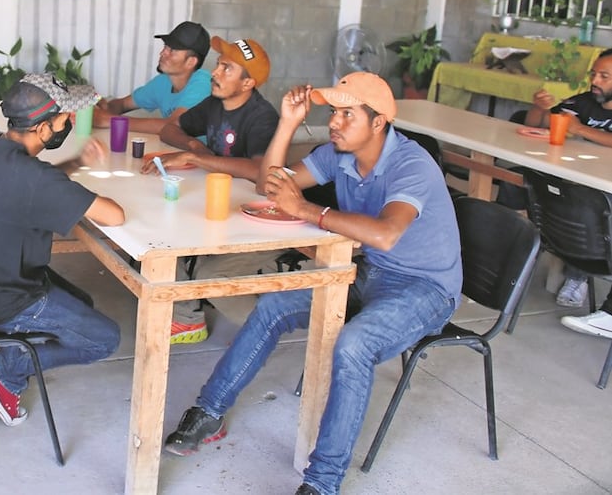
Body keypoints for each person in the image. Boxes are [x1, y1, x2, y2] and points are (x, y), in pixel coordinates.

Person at [163, 72, 461, 495]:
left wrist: (306, 210)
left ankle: (322, 482)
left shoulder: (411, 164)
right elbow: (268, 184)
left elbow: (385, 234)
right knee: (273, 305)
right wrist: (288, 123)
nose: (334, 122)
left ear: (378, 122)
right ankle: (209, 411)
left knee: (354, 345)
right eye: (333, 112)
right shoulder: (339, 154)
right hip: (371, 272)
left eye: (347, 114)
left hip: (425, 288)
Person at [0, 73, 124, 426]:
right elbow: (114, 215)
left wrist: (76, 163)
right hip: (1, 299)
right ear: (42, 129)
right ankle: (7, 367)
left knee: (82, 303)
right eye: (63, 118)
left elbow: (35, 184)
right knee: (104, 339)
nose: (68, 123)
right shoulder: (33, 178)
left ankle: (4, 346)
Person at [143, 36, 279, 344]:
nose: (215, 73)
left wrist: (197, 159)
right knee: (162, 225)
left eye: (227, 68)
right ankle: (186, 316)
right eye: (218, 65)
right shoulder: (215, 103)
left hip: (255, 216)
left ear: (248, 83)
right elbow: (170, 128)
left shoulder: (263, 117)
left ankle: (267, 326)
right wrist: (193, 146)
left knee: (198, 262)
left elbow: (260, 172)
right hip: (220, 203)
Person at [518, 49, 612, 332]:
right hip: (572, 194)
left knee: (594, 208)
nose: (595, 81)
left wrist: (581, 130)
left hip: (600, 196)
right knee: (525, 179)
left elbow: (576, 128)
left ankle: (582, 280)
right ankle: (576, 270)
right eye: (594, 74)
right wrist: (539, 109)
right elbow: (536, 125)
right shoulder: (582, 102)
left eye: (604, 76)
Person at [93, 21, 212, 134]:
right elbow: (123, 104)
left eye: (172, 50)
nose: (162, 53)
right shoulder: (163, 81)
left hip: (200, 148)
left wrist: (110, 121)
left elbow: (174, 126)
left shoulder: (203, 84)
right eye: (165, 46)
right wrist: (104, 107)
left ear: (191, 62)